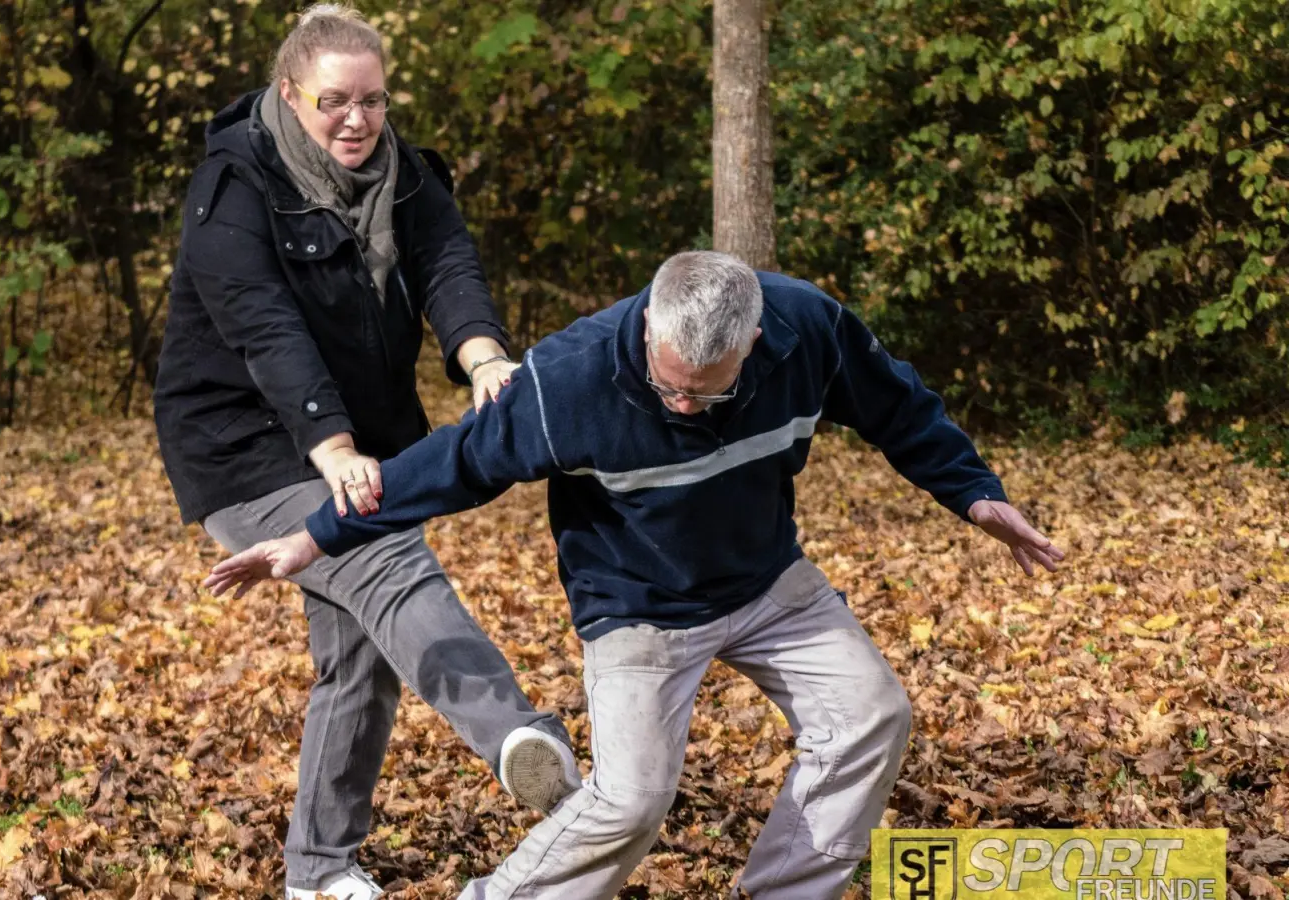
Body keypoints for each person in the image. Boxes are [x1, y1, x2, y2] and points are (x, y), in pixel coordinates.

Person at [203, 250, 1067, 900]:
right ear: (650, 326)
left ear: (755, 343)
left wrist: (973, 495)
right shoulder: (567, 380)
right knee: (633, 798)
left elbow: (899, 405)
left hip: (768, 582)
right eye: (671, 385)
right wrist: (316, 538)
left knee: (872, 716)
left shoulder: (810, 331)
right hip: (639, 607)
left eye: (707, 391)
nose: (683, 406)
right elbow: (450, 465)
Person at [153, 6, 579, 898]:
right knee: (383, 557)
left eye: (374, 101)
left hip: (352, 435)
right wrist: (337, 450)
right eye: (334, 101)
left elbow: (449, 267)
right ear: (288, 94)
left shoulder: (405, 177)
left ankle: (316, 870)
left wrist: (485, 359)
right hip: (243, 443)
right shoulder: (233, 185)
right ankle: (523, 743)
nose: (358, 120)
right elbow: (265, 330)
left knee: (357, 655)